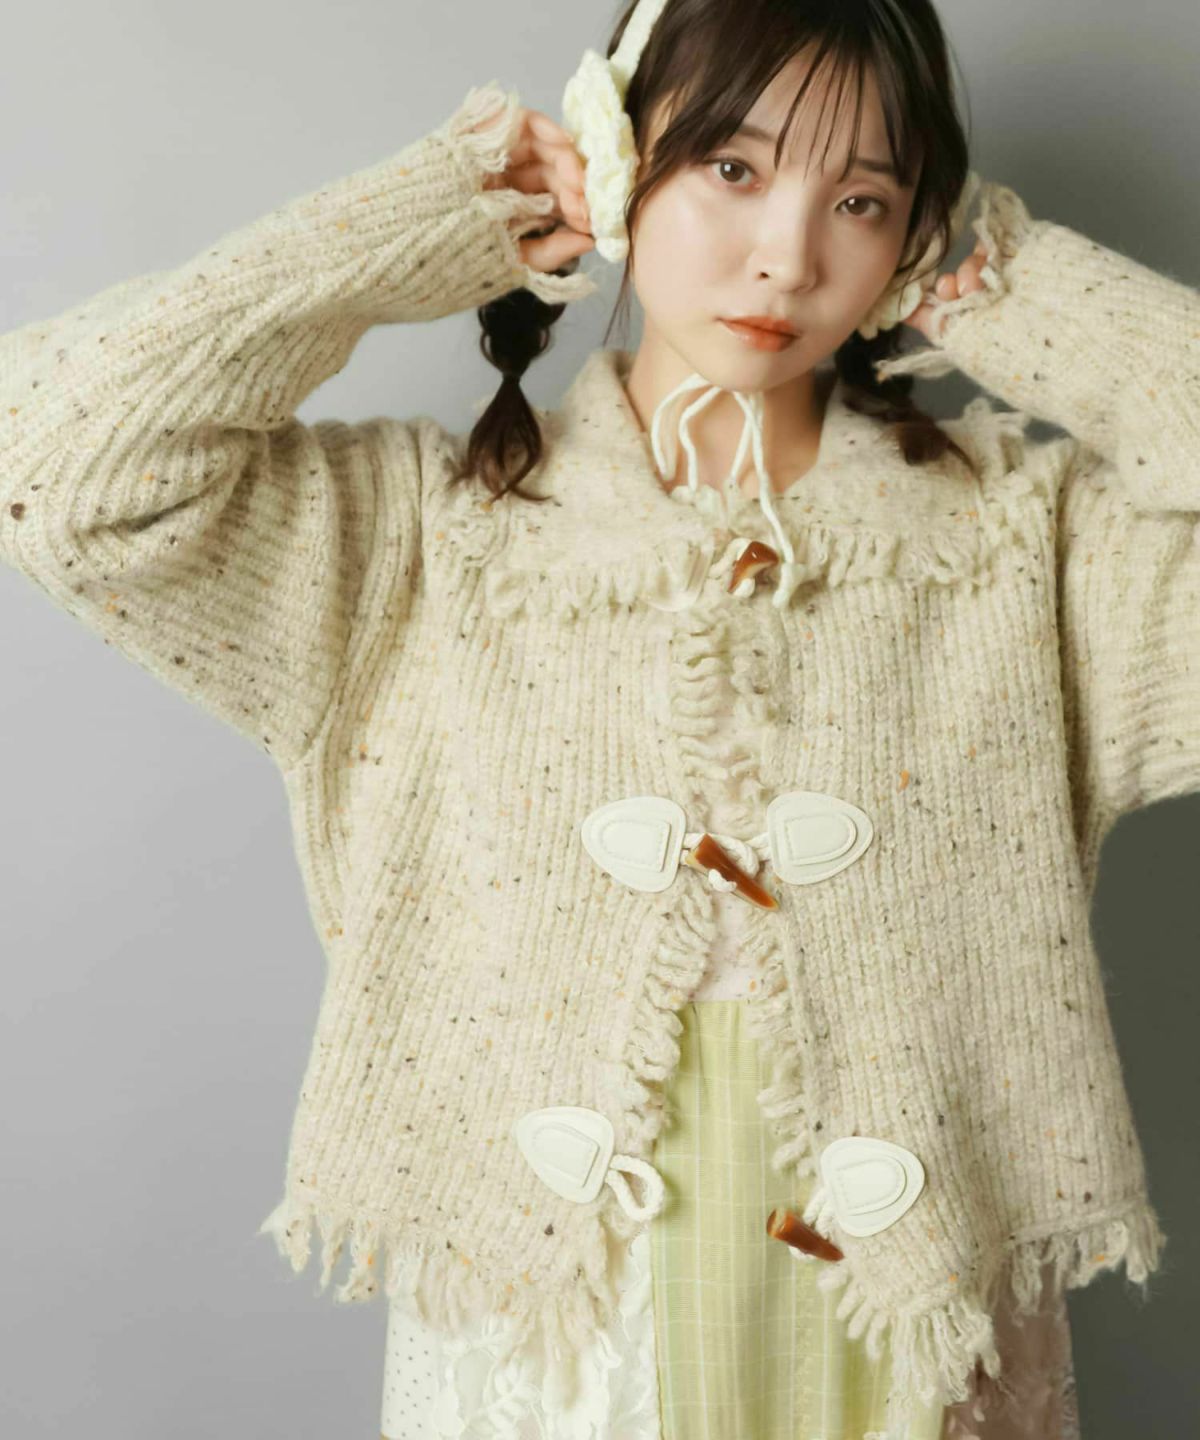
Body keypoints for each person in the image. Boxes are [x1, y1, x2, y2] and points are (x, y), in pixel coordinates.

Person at [2, 1, 1192, 1437]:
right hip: (556, 1336)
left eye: (862, 200)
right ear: (621, 164)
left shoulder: (1022, 547)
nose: (788, 254)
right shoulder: (417, 541)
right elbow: (54, 468)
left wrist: (1007, 284)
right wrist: (419, 225)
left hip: (912, 1325)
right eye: (733, 169)